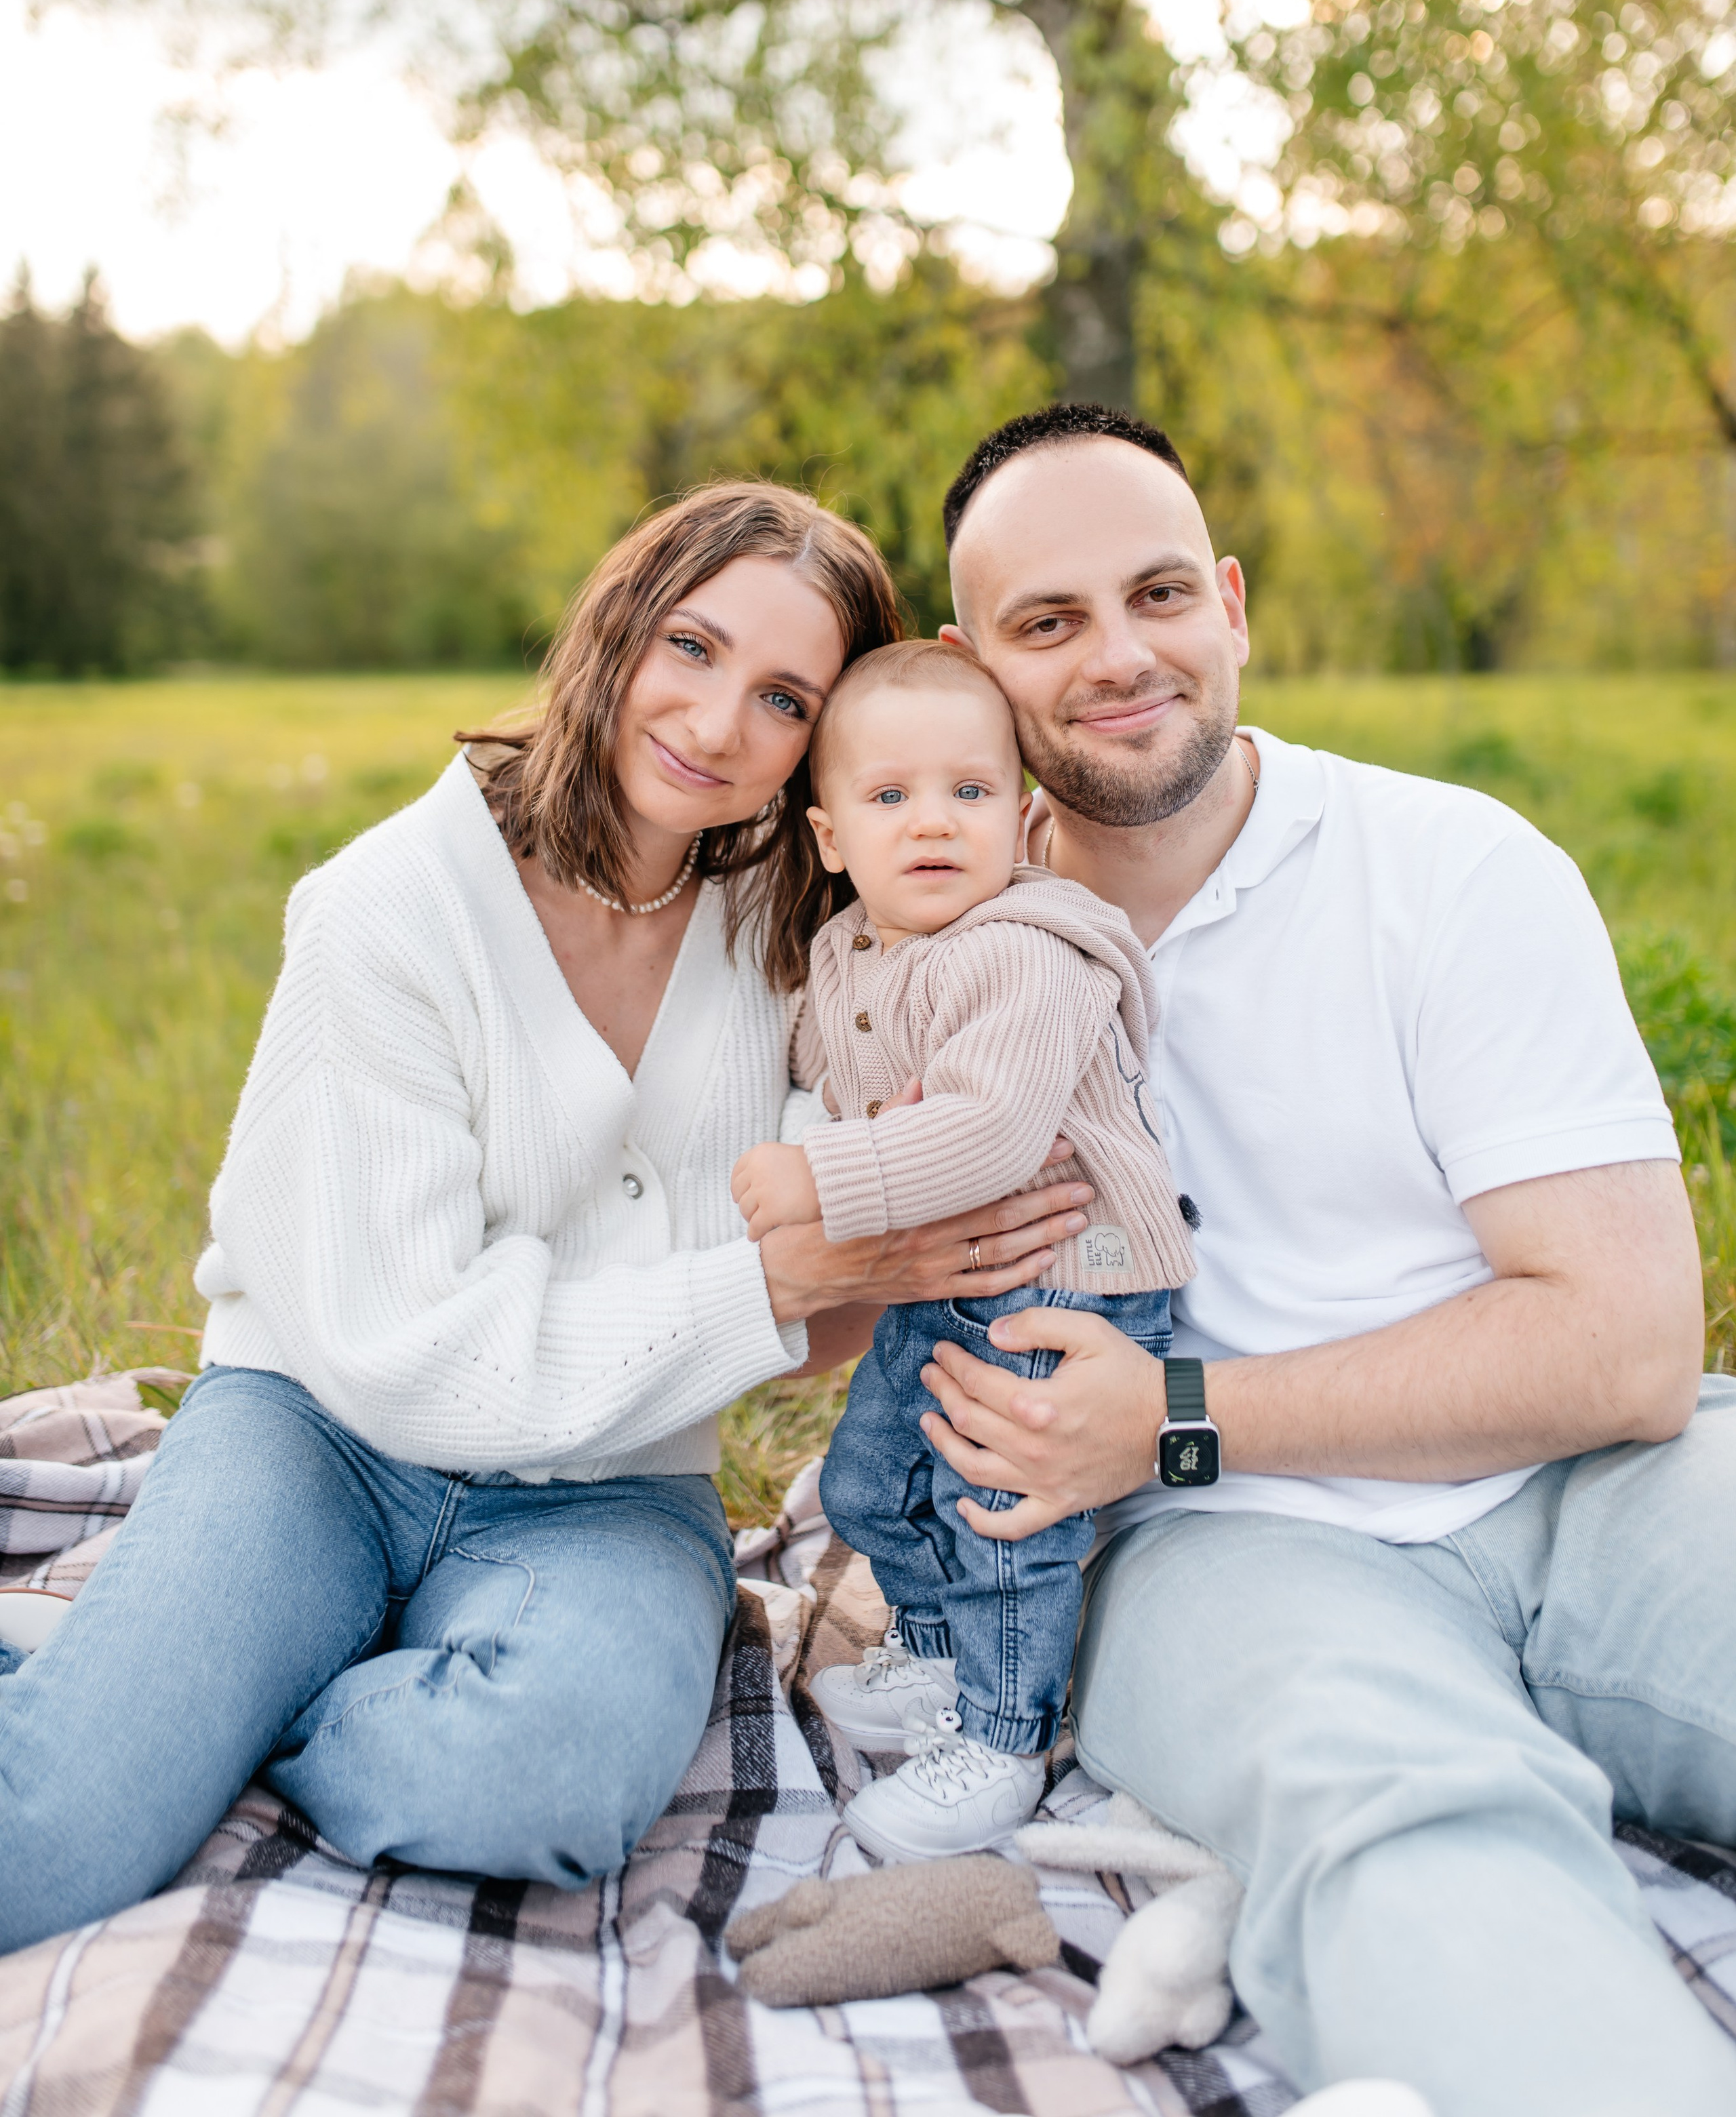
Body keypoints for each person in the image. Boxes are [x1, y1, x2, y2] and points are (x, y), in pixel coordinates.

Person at [0, 481, 1097, 1958]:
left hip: (611, 1480)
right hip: (324, 1432)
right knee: (53, 1837)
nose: (715, 726)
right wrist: (773, 1271)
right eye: (692, 648)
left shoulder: (799, 922)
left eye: (782, 697)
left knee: (533, 1783)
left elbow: (825, 1308)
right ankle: (168, 1692)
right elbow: (406, 1350)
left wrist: (884, 1230)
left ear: (821, 754)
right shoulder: (387, 911)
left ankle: (244, 1698)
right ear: (619, 623)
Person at [900, 405, 1733, 2117]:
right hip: (1230, 1556)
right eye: (1046, 623)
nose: (1120, 657)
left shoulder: (1448, 868)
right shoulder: (925, 945)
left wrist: (1174, 1411)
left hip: (1587, 1483)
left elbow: (1633, 1342)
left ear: (1229, 603)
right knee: (1408, 1819)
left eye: (1154, 597)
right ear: (962, 665)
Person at [730, 639, 1195, 1861]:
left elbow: (989, 1132)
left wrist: (821, 1180)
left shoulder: (1027, 951)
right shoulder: (848, 957)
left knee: (1003, 1513)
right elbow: (818, 1079)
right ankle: (934, 1658)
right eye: (891, 798)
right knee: (871, 1480)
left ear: (1025, 819)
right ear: (831, 838)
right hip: (947, 1281)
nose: (933, 825)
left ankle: (1004, 1735)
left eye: (969, 794)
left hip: (1069, 1286)